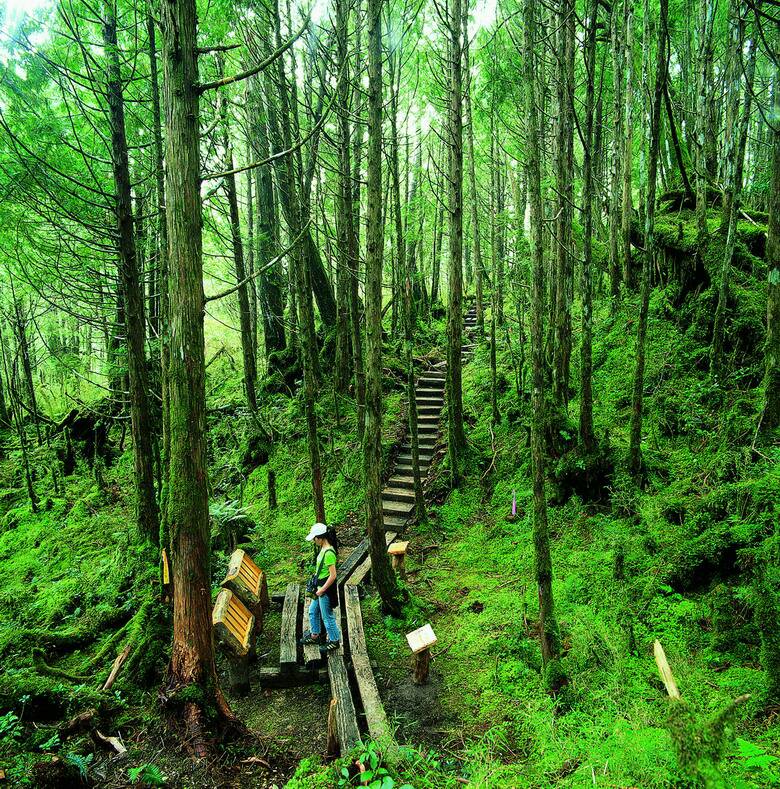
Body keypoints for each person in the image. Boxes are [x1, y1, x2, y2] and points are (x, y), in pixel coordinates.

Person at [301, 522, 340, 652]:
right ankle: (315, 635)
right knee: (312, 611)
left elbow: (333, 575)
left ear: (320, 537)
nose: (314, 541)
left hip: (325, 590)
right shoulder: (323, 550)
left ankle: (334, 641)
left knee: (327, 617)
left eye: (315, 538)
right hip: (319, 588)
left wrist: (322, 590)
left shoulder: (329, 553)